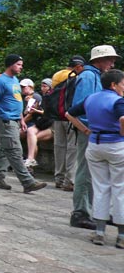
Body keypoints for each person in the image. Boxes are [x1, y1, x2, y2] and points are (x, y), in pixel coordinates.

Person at [65, 69, 124, 248]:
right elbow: (123, 118)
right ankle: (121, 235)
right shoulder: (118, 101)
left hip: (95, 145)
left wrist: (85, 130)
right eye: (123, 83)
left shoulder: (91, 98)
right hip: (115, 145)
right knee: (120, 189)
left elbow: (69, 114)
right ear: (114, 84)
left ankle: (99, 232)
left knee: (100, 188)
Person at [0, 54, 47, 193]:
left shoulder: (15, 80)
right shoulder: (1, 82)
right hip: (6, 121)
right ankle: (28, 182)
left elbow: (16, 101)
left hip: (15, 120)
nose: (21, 67)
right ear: (10, 64)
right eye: (18, 64)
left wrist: (21, 119)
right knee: (15, 151)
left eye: (21, 64)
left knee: (4, 149)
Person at [53, 56, 86, 191]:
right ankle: (69, 180)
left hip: (57, 116)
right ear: (77, 66)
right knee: (72, 148)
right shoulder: (76, 77)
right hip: (70, 117)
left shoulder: (57, 75)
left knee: (59, 146)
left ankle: (58, 178)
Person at [20, 78, 52, 169]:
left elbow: (33, 114)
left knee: (30, 137)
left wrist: (35, 110)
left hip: (49, 124)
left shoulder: (38, 97)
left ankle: (29, 164)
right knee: (30, 134)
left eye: (45, 86)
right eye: (42, 86)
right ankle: (29, 161)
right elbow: (27, 112)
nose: (42, 88)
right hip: (41, 123)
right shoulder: (39, 97)